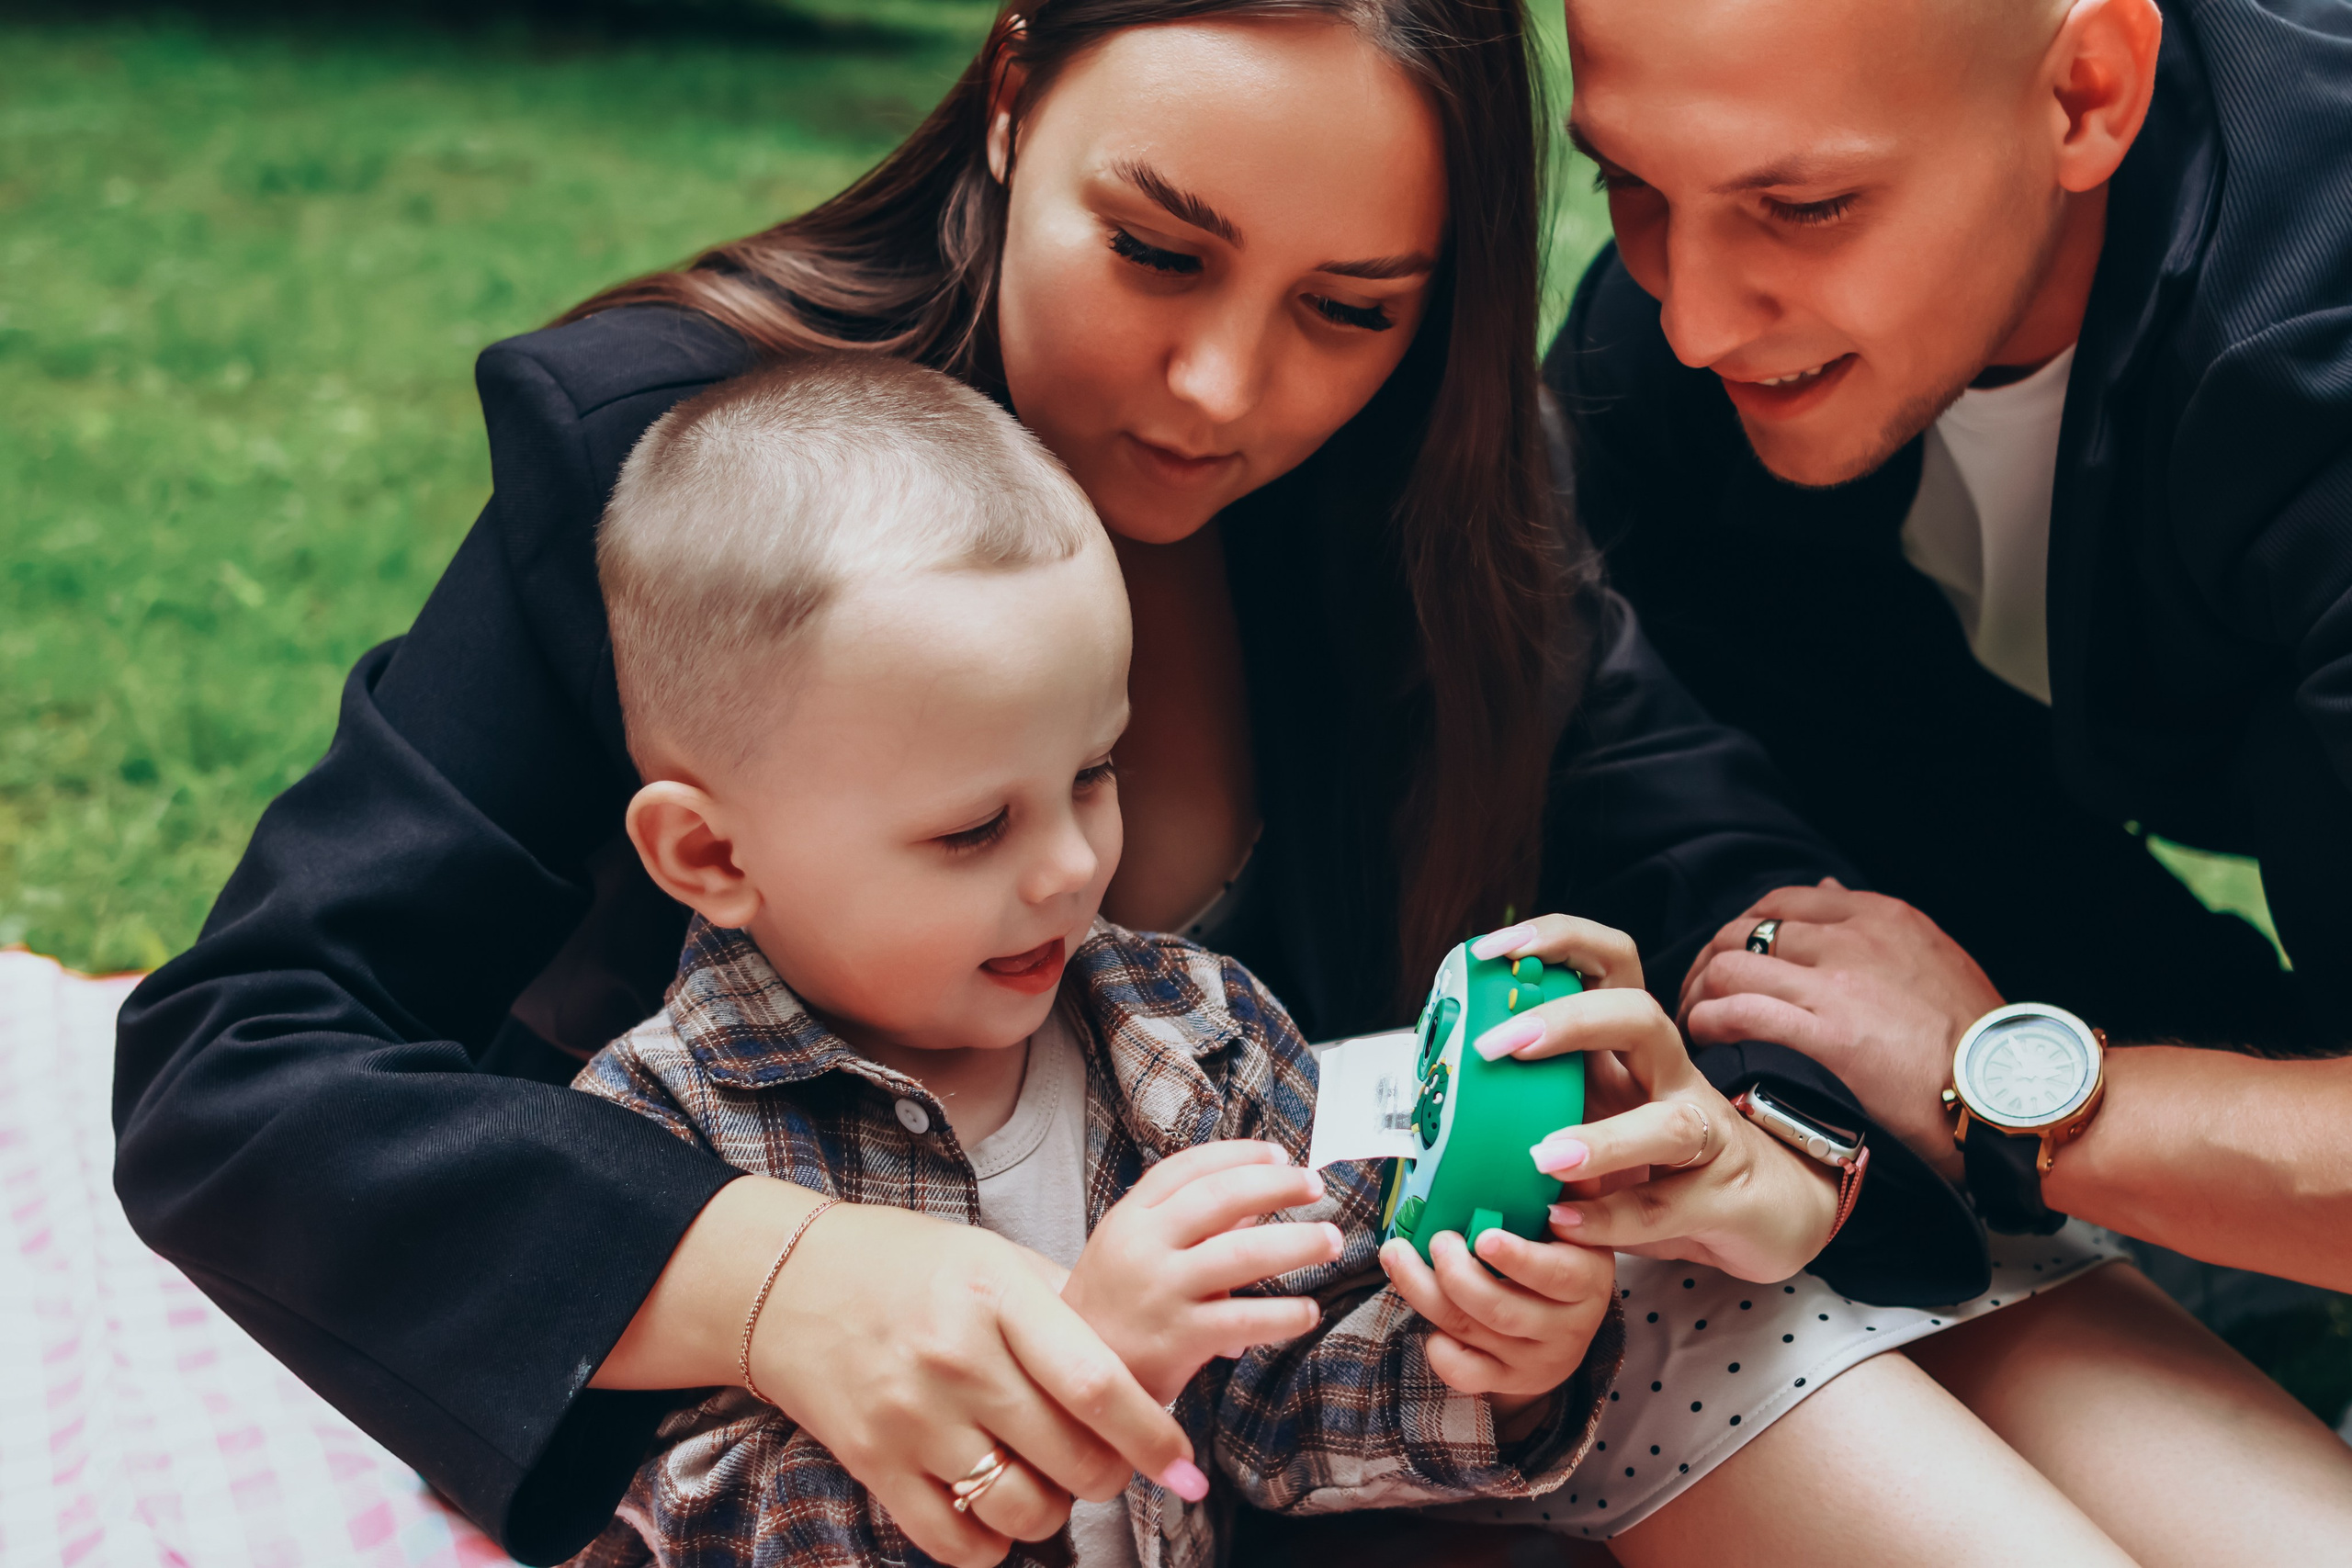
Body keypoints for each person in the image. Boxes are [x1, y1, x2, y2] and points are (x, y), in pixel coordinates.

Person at [92, 4, 2235, 1567]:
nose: (1226, 393)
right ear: (1014, 89)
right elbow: (241, 1055)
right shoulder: (679, 464)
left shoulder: (1425, 496)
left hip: (1413, 1368)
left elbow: (1703, 854)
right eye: (1158, 249)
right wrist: (780, 1275)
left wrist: (1765, 1144)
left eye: (1352, 306)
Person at [566, 353, 1615, 1568]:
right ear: (709, 853)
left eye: (1093, 773)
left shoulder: (1194, 1031)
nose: (1072, 866)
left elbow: (1284, 1405)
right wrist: (1084, 1357)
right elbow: (697, 1531)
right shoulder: (657, 1141)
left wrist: (1501, 1368)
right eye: (973, 827)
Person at [1545, 0, 2352, 1553]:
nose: (1697, 317)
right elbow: (1597, 724)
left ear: (2084, 92)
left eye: (1804, 205)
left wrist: (2004, 1085)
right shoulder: (1670, 359)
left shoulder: (2313, 354)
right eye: (1635, 188)